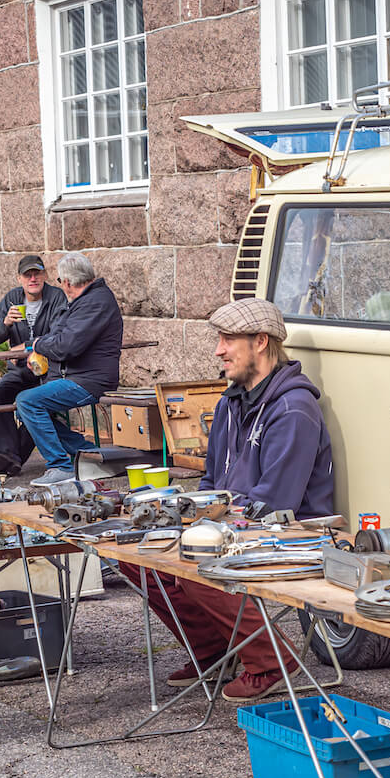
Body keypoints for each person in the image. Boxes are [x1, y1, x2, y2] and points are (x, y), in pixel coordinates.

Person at [121, 298, 334, 703]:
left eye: (227, 340)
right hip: (237, 525)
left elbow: (275, 503)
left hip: (289, 532)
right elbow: (210, 481)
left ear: (260, 342)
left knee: (196, 560)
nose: (218, 350)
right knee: (135, 557)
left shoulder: (294, 408)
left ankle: (272, 659)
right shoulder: (228, 403)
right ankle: (217, 652)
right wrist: (180, 516)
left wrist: (203, 527)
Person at [19, 251, 123, 487]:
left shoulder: (95, 302)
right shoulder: (84, 301)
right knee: (23, 407)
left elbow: (66, 346)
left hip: (91, 381)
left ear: (66, 282)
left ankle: (60, 466)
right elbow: (58, 336)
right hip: (78, 377)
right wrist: (42, 348)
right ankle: (88, 452)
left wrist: (37, 344)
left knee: (28, 401)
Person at [0, 254, 68, 476]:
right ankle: (5, 452)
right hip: (21, 370)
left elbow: (58, 335)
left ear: (44, 275)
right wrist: (5, 323)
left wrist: (25, 346)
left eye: (37, 273)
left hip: (50, 370)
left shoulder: (56, 297)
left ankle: (11, 458)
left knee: (37, 403)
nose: (33, 279)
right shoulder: (12, 299)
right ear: (19, 278)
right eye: (27, 275)